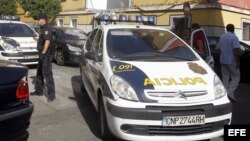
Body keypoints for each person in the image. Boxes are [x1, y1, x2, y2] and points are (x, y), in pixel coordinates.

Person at [31, 14, 56, 102]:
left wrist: (44, 52)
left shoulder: (47, 29)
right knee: (39, 73)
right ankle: (39, 91)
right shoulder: (42, 29)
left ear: (43, 20)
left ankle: (51, 95)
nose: (37, 21)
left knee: (47, 74)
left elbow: (48, 41)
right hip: (42, 54)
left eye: (38, 19)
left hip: (46, 55)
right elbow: (43, 40)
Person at [218, 24, 240, 102]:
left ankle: (224, 94)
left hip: (223, 60)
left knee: (225, 77)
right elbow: (236, 50)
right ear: (233, 29)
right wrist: (238, 61)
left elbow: (219, 49)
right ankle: (230, 92)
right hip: (232, 61)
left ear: (227, 29)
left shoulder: (222, 37)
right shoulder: (234, 37)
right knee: (236, 77)